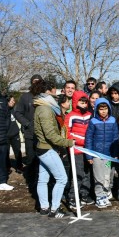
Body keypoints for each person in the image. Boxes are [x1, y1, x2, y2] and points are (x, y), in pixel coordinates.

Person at [32, 80, 74, 218]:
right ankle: (55, 209)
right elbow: (50, 134)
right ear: (49, 90)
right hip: (47, 149)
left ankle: (44, 207)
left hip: (43, 148)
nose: (56, 92)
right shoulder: (44, 109)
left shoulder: (43, 106)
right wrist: (68, 142)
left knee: (43, 179)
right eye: (55, 89)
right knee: (62, 178)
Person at [85, 98, 119, 209]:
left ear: (109, 109)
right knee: (98, 176)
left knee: (107, 175)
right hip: (97, 155)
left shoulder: (113, 120)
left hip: (108, 155)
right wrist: (89, 155)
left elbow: (115, 137)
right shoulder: (93, 121)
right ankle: (99, 196)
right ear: (97, 110)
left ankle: (105, 194)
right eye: (101, 109)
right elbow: (89, 138)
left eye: (105, 109)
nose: (103, 111)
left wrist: (115, 153)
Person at [65, 90, 93, 207]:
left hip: (89, 149)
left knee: (87, 173)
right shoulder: (70, 116)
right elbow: (67, 134)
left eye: (85, 102)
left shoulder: (89, 115)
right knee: (78, 174)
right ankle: (72, 197)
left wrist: (90, 142)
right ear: (75, 101)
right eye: (81, 101)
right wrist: (83, 141)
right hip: (76, 150)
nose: (83, 104)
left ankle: (84, 195)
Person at [14, 74, 42, 190]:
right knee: (30, 158)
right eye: (34, 81)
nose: (36, 83)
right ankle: (31, 180)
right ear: (31, 82)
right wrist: (27, 123)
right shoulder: (25, 97)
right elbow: (17, 113)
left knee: (42, 157)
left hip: (43, 135)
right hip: (30, 133)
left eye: (39, 81)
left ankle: (41, 180)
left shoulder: (44, 96)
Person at [6, 95, 24, 173]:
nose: (13, 102)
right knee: (5, 152)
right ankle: (7, 167)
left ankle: (19, 167)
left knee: (17, 151)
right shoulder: (2, 110)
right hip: (5, 135)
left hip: (15, 134)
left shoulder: (14, 109)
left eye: (14, 100)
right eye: (12, 101)